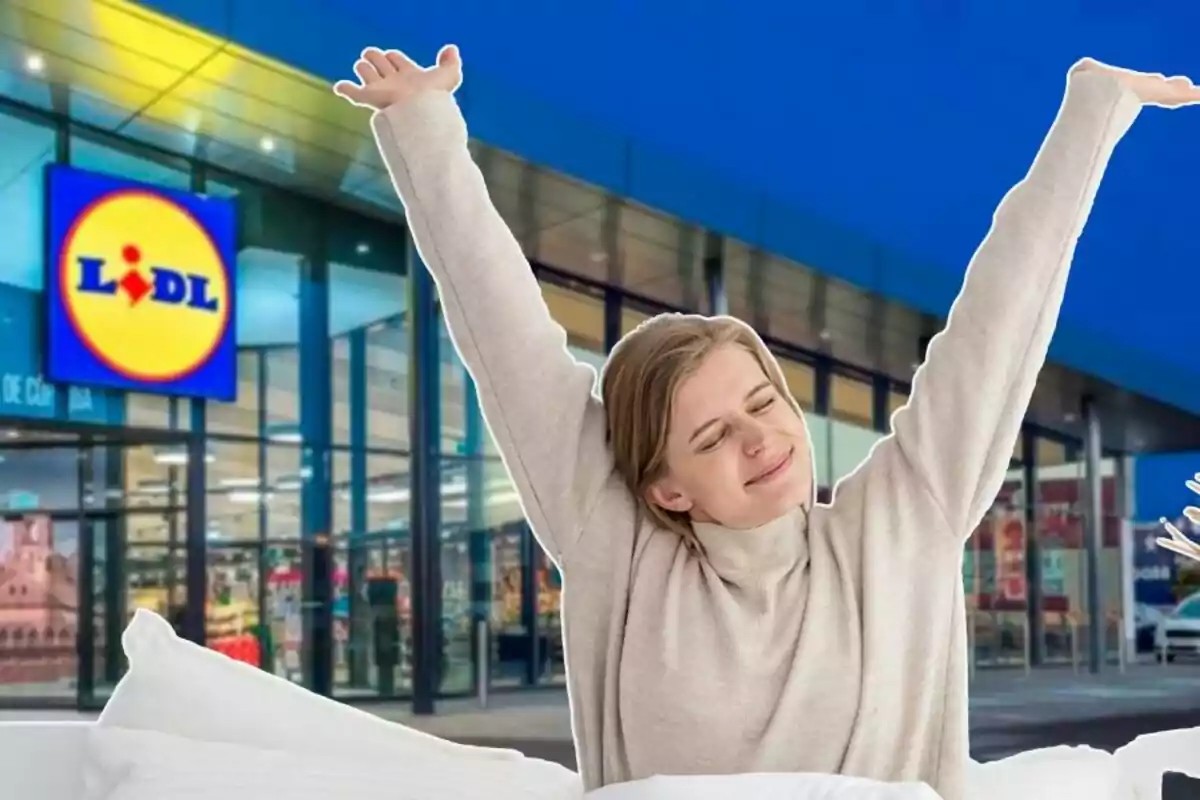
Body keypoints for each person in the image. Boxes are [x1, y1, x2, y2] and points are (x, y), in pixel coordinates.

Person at [334, 47, 1200, 800]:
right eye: (709, 438)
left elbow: (999, 322)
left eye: (764, 402)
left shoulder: (897, 526)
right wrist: (424, 128)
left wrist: (1092, 115)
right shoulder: (619, 547)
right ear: (662, 483)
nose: (760, 440)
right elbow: (504, 336)